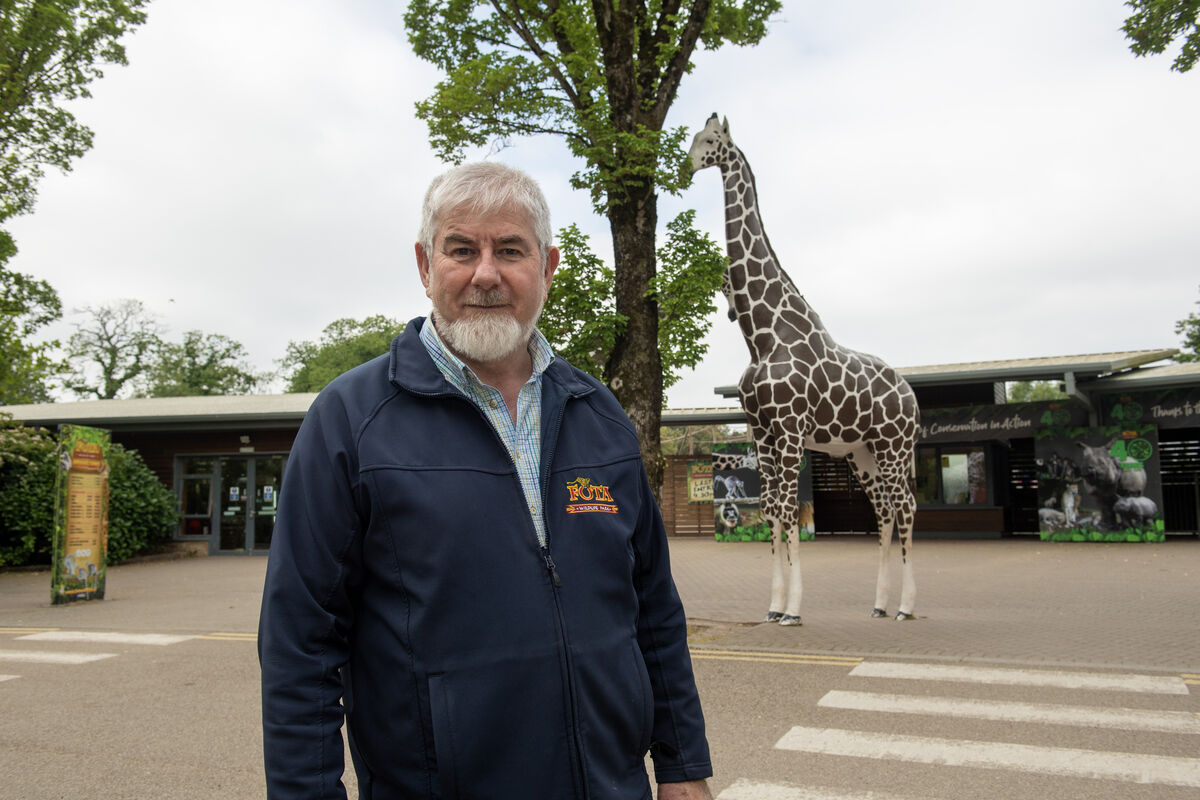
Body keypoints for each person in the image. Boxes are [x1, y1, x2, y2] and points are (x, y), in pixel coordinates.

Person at [259, 161, 714, 799]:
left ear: (548, 266)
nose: (486, 274)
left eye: (510, 250)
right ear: (424, 266)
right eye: (461, 250)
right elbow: (300, 641)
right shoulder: (351, 421)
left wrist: (683, 764)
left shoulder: (600, 414)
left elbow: (654, 609)